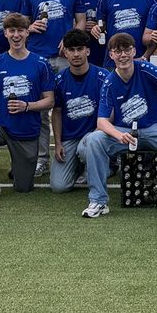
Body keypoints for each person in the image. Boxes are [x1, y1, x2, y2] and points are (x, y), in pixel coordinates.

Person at [79, 33, 157, 219]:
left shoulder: (146, 68)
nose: (123, 55)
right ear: (111, 55)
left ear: (134, 51)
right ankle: (98, 201)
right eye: (118, 51)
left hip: (154, 128)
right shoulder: (109, 82)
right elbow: (101, 121)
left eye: (127, 50)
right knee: (94, 139)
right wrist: (119, 135)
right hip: (125, 132)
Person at [0, 13, 56, 200]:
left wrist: (27, 106)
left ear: (27, 33)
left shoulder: (41, 63)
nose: (16, 35)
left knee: (23, 187)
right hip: (0, 126)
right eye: (11, 31)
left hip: (26, 130)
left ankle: (18, 167)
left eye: (20, 31)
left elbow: (50, 100)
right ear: (5, 33)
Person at [21, 0, 86, 176]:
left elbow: (81, 21)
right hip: (38, 58)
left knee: (70, 106)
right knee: (40, 111)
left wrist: (70, 39)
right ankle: (41, 159)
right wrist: (30, 27)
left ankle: (76, 157)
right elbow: (22, 24)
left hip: (65, 59)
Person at [49, 29, 111, 194]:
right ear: (65, 53)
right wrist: (58, 143)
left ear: (87, 51)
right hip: (70, 137)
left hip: (96, 134)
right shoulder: (59, 80)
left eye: (80, 49)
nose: (76, 54)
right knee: (59, 186)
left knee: (87, 148)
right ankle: (77, 166)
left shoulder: (103, 76)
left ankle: (107, 163)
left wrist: (96, 134)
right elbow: (56, 112)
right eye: (71, 50)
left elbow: (111, 112)